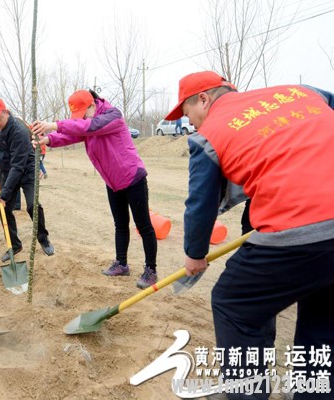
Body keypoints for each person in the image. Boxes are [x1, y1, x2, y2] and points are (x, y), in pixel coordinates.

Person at [168, 70, 334, 397]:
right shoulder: (300, 92)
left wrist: (195, 256)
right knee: (323, 311)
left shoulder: (209, 135)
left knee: (234, 304)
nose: (192, 124)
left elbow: (200, 204)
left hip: (295, 231)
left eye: (189, 114)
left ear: (204, 98)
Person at [32, 89, 158, 289]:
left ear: (92, 105)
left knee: (144, 226)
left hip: (133, 177)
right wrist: (49, 139)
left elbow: (90, 126)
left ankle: (151, 270)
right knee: (120, 224)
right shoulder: (89, 123)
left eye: (83, 113)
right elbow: (74, 134)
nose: (81, 118)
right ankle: (121, 263)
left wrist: (55, 124)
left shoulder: (112, 116)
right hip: (113, 181)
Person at [0, 98, 55, 261]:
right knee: (4, 209)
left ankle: (43, 239)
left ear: (6, 113)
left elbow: (18, 166)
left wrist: (4, 192)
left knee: (32, 205)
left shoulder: (19, 131)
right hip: (7, 170)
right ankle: (15, 245)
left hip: (26, 169)